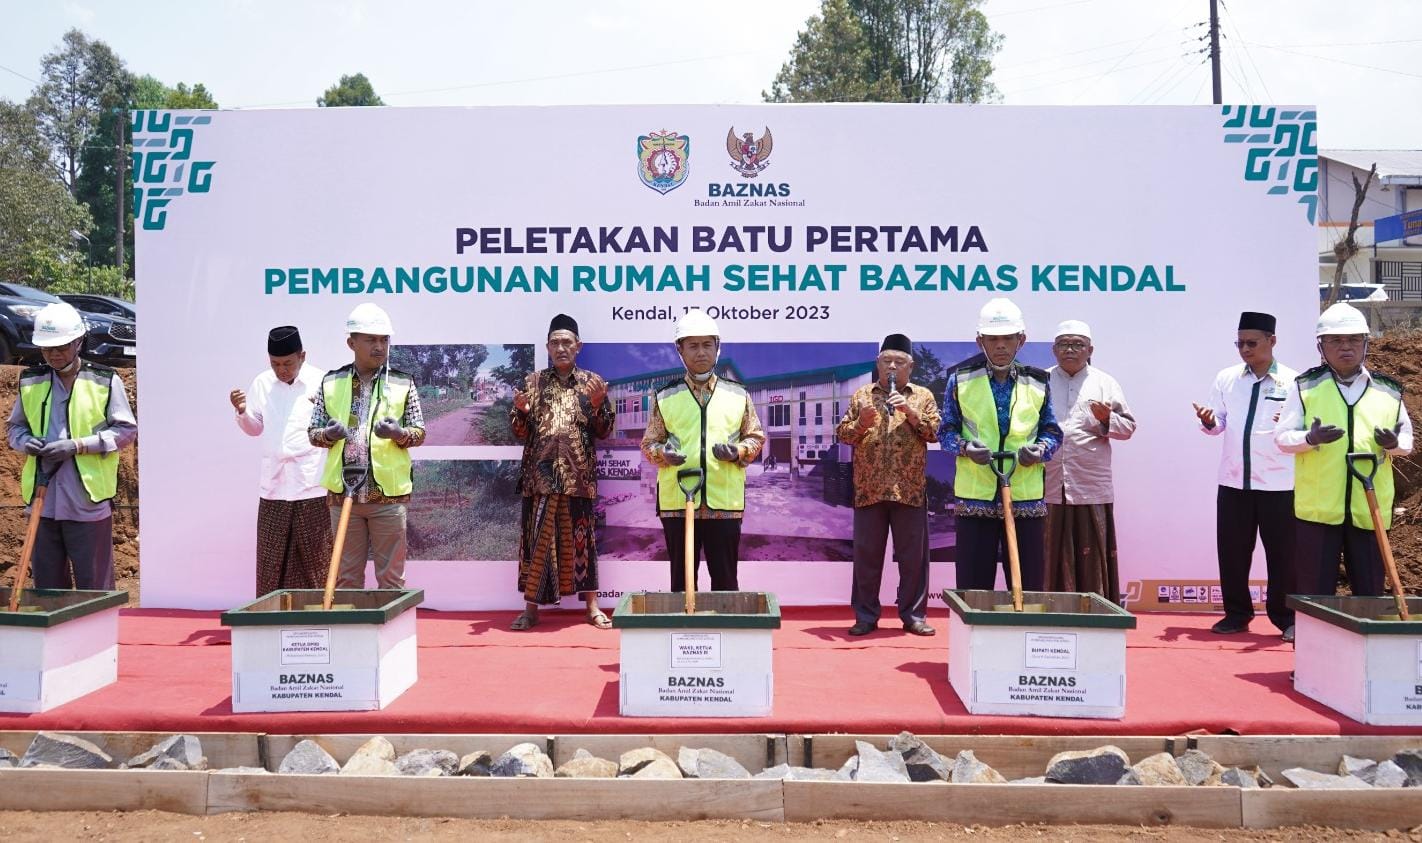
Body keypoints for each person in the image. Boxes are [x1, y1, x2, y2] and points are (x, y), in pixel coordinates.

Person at [1276, 302, 1413, 605]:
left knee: (1369, 592)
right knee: (1316, 592)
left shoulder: (1388, 390)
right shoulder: (1305, 387)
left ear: (1366, 343)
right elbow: (1283, 439)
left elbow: (1407, 442)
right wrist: (1309, 438)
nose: (1345, 347)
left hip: (1369, 509)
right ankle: (1313, 644)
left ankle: (1368, 649)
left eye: (1353, 340)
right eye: (1335, 340)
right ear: (1321, 346)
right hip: (1319, 509)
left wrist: (1392, 443)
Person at [6, 302, 137, 590]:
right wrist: (28, 443)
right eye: (47, 348)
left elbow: (126, 431)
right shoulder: (31, 381)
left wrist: (77, 446)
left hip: (86, 500)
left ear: (78, 342)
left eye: (61, 347)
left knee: (95, 584)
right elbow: (14, 428)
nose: (54, 354)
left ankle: (100, 635)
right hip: (43, 499)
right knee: (48, 587)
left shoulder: (104, 380)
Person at [937, 298, 1062, 593]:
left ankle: (1024, 635)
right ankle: (975, 639)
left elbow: (1052, 431)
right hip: (975, 497)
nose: (1001, 345)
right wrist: (966, 448)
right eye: (993, 339)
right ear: (980, 341)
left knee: (1028, 585)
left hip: (1025, 498)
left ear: (1022, 340)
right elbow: (946, 432)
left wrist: (1041, 450)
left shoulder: (1038, 381)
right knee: (973, 588)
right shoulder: (961, 381)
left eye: (1008, 338)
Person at [640, 310, 765, 592]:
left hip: (725, 501)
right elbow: (649, 444)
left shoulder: (738, 394)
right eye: (692, 345)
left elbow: (756, 438)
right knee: (682, 584)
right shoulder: (665, 396)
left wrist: (737, 451)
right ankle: (684, 634)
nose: (700, 352)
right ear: (680, 351)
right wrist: (664, 454)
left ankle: (727, 633)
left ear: (717, 349)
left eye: (707, 345)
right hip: (678, 503)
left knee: (725, 583)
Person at [1194, 311, 1297, 638]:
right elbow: (1216, 423)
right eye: (1240, 343)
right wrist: (1209, 422)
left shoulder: (1294, 382)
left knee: (1283, 557)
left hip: (1280, 484)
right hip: (1234, 482)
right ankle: (1236, 614)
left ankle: (1286, 618)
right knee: (1233, 553)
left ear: (1272, 341)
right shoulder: (1227, 378)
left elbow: (1298, 430)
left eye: (1252, 343)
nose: (1245, 349)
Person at [308, 303, 425, 589]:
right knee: (346, 578)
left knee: (391, 578)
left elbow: (419, 432)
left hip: (388, 496)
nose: (379, 346)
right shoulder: (330, 381)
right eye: (371, 339)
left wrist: (398, 434)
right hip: (343, 494)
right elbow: (313, 432)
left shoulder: (402, 382)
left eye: (384, 340)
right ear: (352, 343)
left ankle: (392, 635)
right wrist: (329, 434)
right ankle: (353, 634)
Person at [510, 314, 615, 630]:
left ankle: (592, 608)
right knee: (536, 545)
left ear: (578, 346)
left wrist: (597, 406)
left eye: (566, 342)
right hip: (539, 479)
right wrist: (522, 413)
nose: (560, 347)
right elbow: (518, 432)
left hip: (578, 478)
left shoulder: (592, 383)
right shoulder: (533, 383)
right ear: (547, 347)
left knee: (584, 545)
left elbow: (605, 431)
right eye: (555, 342)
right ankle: (531, 610)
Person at [836, 334, 942, 636]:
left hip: (909, 488)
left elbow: (935, 433)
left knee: (913, 559)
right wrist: (862, 423)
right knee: (867, 557)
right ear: (877, 364)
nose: (892, 367)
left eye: (899, 362)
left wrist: (909, 412)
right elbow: (843, 435)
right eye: (886, 361)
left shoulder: (922, 396)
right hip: (869, 488)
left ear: (911, 366)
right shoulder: (862, 395)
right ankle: (866, 615)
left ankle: (913, 615)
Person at [230, 326, 331, 596]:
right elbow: (255, 428)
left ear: (302, 356)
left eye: (288, 363)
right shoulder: (262, 383)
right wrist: (241, 411)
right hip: (274, 485)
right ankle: (271, 620)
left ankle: (319, 621)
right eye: (275, 364)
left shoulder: (323, 382)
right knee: (270, 560)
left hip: (312, 484)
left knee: (317, 560)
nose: (282, 370)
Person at [1043, 320, 1137, 604]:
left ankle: (1093, 609)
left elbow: (1128, 428)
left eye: (1077, 344)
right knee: (1047, 552)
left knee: (1090, 554)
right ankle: (1046, 610)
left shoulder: (1105, 383)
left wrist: (1107, 419)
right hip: (1046, 482)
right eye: (1064, 344)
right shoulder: (1039, 381)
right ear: (1054, 350)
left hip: (1089, 484)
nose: (1070, 349)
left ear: (1090, 349)